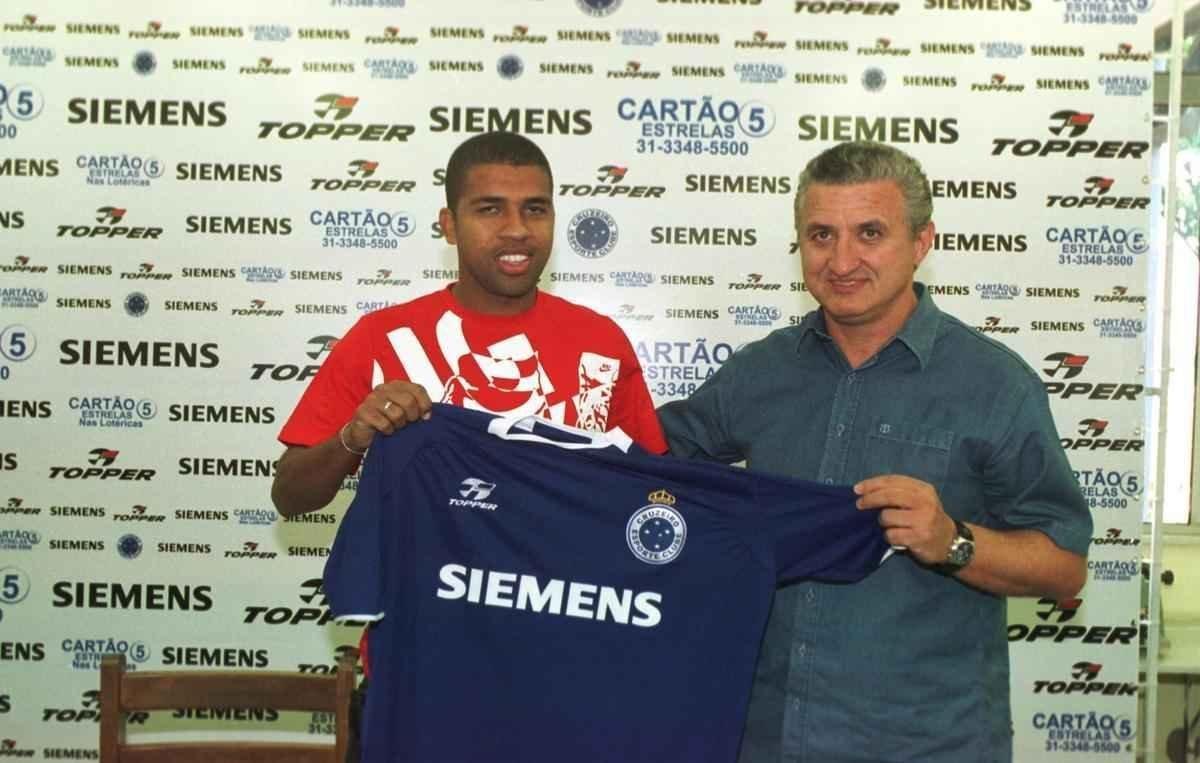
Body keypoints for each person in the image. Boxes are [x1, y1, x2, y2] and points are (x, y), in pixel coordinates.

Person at [657, 141, 1091, 763]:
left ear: (921, 243)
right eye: (820, 235)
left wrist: (954, 541)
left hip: (926, 744)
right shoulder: (760, 372)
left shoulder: (995, 385)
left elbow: (1064, 565)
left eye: (869, 233)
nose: (842, 260)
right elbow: (642, 462)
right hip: (766, 736)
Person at [270, 131, 667, 759]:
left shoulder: (600, 344)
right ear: (449, 225)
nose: (516, 229)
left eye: (535, 208)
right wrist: (355, 433)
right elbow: (291, 496)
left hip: (569, 674)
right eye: (490, 209)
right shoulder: (383, 339)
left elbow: (654, 498)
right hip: (421, 676)